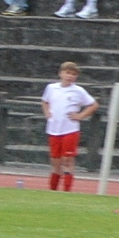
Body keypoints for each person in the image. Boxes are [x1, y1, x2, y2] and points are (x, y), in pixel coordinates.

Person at [41, 61, 99, 190]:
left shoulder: (78, 91)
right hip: (54, 129)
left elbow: (93, 105)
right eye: (68, 73)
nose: (70, 76)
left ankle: (67, 189)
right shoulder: (51, 88)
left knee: (67, 160)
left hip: (70, 130)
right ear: (61, 73)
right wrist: (47, 113)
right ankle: (52, 189)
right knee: (55, 161)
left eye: (73, 74)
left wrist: (80, 116)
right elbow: (45, 101)